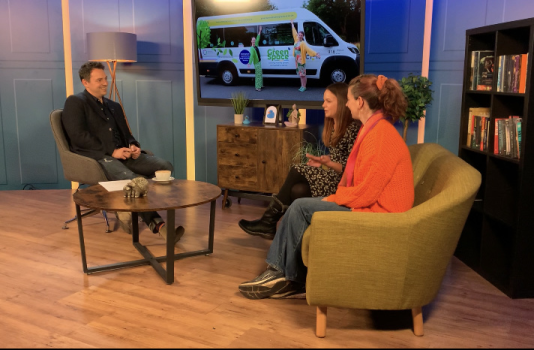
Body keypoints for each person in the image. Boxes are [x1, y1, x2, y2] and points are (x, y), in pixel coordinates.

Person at [238, 74, 415, 299]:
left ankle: (284, 276)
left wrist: (333, 197)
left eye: (349, 100)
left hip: (380, 216)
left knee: (300, 207)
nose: (347, 104)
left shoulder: (380, 135)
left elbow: (366, 193)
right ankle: (284, 275)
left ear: (360, 102)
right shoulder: (373, 129)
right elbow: (362, 183)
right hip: (373, 208)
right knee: (299, 203)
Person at [62, 62, 184, 245]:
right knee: (134, 181)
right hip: (97, 158)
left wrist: (133, 146)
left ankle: (126, 205)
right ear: (85, 82)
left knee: (164, 167)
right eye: (99, 80)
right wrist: (112, 151)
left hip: (123, 155)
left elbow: (127, 134)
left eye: (105, 78)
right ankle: (159, 226)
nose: (105, 83)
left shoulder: (114, 105)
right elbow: (78, 136)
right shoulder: (76, 102)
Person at [238, 82, 360, 239]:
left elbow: (351, 169)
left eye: (328, 101)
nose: (323, 105)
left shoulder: (352, 129)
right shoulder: (334, 125)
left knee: (297, 169)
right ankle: (285, 231)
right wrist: (323, 162)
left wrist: (328, 164)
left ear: (343, 103)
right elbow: (340, 158)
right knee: (297, 190)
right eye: (324, 101)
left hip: (340, 184)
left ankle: (268, 221)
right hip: (332, 176)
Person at [290, 19, 320, 92]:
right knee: (300, 75)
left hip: (301, 61)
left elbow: (308, 49)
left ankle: (304, 86)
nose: (299, 35)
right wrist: (292, 24)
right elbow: (294, 32)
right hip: (297, 61)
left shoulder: (303, 43)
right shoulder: (296, 40)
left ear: (302, 36)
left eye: (301, 35)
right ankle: (301, 86)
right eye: (299, 34)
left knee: (303, 75)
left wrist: (315, 54)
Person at [247, 26, 263, 92]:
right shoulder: (251, 48)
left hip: (259, 62)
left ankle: (260, 85)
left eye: (254, 40)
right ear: (251, 41)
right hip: (256, 63)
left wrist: (260, 31)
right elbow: (251, 56)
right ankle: (257, 87)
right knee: (258, 75)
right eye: (253, 40)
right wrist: (249, 63)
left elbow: (258, 38)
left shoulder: (256, 45)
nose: (254, 41)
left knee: (260, 74)